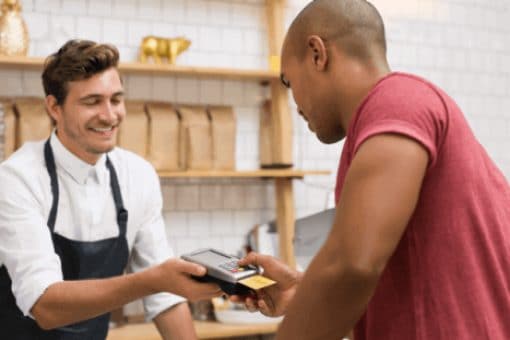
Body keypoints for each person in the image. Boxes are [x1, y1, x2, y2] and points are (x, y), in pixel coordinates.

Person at [233, 0, 510, 339]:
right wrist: (303, 292)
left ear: (317, 54)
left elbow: (350, 266)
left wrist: (324, 292)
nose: (295, 105)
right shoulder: (390, 117)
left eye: (289, 83)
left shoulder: (399, 101)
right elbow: (398, 272)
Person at [0, 39, 222, 339]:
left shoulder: (138, 176)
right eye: (92, 102)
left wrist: (163, 282)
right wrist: (155, 280)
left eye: (116, 100)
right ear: (54, 107)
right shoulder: (18, 178)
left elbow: (165, 298)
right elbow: (45, 306)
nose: (109, 116)